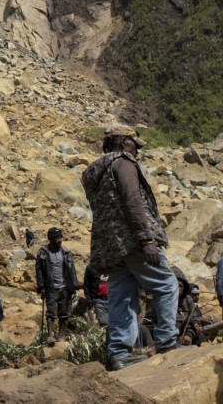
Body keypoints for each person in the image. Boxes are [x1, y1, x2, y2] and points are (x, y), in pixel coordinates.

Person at [81, 124, 178, 371]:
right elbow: (132, 200)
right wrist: (146, 239)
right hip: (132, 240)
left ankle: (120, 354)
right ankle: (167, 342)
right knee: (166, 285)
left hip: (110, 245)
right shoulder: (124, 162)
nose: (138, 150)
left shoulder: (97, 171)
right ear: (124, 142)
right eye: (136, 144)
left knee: (121, 297)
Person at [36, 227, 79, 344]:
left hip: (65, 288)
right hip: (51, 288)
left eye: (60, 237)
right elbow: (39, 270)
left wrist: (74, 286)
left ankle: (61, 335)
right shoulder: (43, 253)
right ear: (51, 239)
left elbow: (72, 270)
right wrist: (41, 287)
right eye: (57, 238)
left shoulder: (65, 252)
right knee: (51, 313)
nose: (59, 240)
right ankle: (50, 336)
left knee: (64, 313)